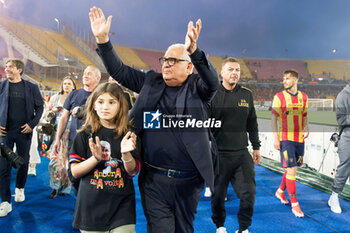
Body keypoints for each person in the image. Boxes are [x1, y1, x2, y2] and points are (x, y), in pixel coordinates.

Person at [90, 6, 219, 232]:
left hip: (189, 182)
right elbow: (120, 71)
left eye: (173, 60)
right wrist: (103, 41)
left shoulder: (198, 87)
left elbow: (213, 82)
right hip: (153, 179)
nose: (166, 63)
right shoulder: (151, 81)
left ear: (189, 67)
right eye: (164, 59)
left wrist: (195, 51)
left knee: (184, 229)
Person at [69, 82, 141, 232]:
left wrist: (126, 154)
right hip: (91, 207)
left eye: (112, 102)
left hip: (122, 206)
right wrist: (95, 159)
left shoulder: (130, 134)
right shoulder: (84, 134)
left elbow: (132, 172)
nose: (105, 107)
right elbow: (74, 172)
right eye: (100, 102)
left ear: (121, 105)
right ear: (93, 105)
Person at [210, 57, 261, 233]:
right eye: (230, 69)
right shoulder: (212, 94)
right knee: (217, 195)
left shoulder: (247, 94)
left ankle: (243, 228)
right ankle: (220, 226)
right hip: (219, 155)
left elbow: (252, 123)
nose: (234, 73)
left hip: (241, 154)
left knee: (249, 193)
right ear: (222, 73)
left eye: (237, 70)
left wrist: (256, 146)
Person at [0, 58, 44, 217]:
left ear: (19, 70)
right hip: (4, 132)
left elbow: (39, 107)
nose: (6, 69)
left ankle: (20, 188)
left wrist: (32, 124)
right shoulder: (1, 86)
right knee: (3, 166)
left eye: (10, 66)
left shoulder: (31, 87)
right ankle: (5, 202)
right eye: (6, 66)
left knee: (23, 161)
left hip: (24, 132)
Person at [52, 66, 101, 194]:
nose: (85, 75)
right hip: (75, 141)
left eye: (89, 74)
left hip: (95, 142)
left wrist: (83, 111)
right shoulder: (74, 94)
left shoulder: (101, 95)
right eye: (84, 73)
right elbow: (64, 118)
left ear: (98, 78)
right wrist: (57, 139)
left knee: (94, 175)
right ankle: (80, 198)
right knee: (74, 175)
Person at [271, 69, 309, 218]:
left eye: (287, 78)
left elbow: (305, 115)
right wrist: (275, 138)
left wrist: (306, 127)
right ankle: (295, 204)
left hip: (299, 139)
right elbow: (273, 119)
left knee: (293, 168)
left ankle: (280, 191)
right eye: (283, 78)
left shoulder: (304, 97)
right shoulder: (279, 97)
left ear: (296, 80)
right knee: (292, 168)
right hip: (286, 139)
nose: (284, 81)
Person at [46, 76, 76, 198]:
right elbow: (46, 116)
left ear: (74, 86)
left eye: (69, 84)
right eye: (65, 84)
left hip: (72, 134)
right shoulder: (55, 98)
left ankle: (66, 187)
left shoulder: (76, 98)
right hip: (58, 134)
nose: (67, 86)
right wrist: (53, 111)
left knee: (68, 162)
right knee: (54, 161)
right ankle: (55, 186)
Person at [328, 83, 350, 213]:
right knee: (345, 166)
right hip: (347, 135)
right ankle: (334, 196)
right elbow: (341, 120)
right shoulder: (342, 96)